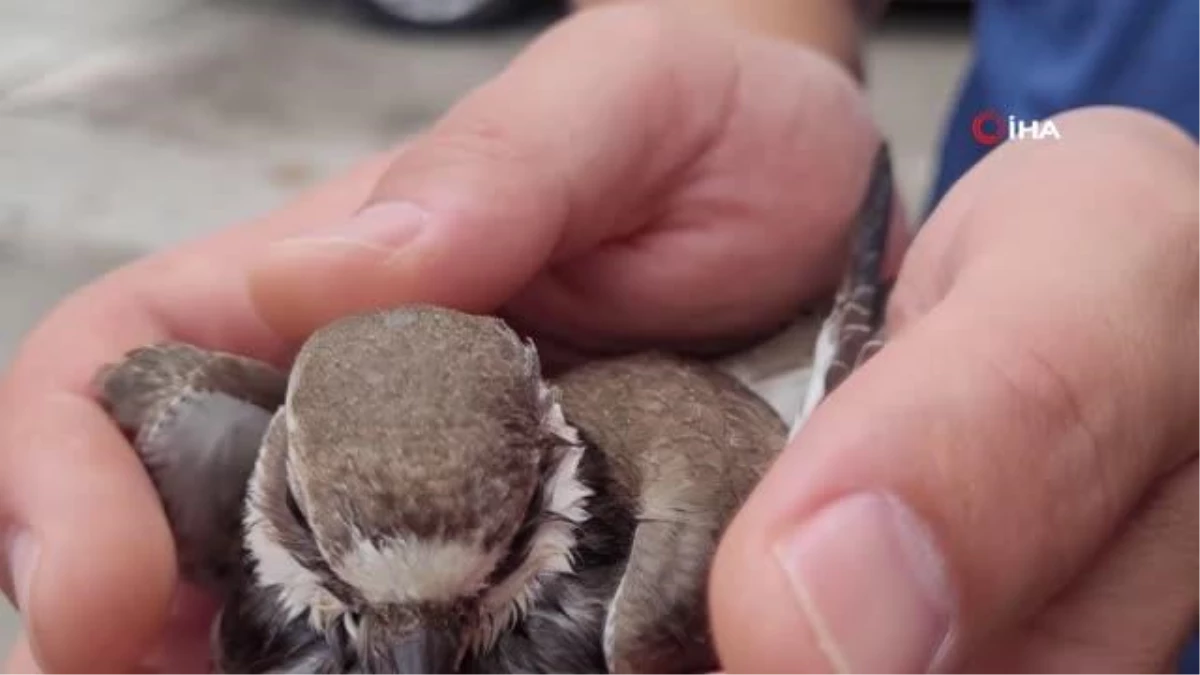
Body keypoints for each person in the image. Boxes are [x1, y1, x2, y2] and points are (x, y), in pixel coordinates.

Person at [2, 0, 1198, 672]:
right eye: (329, 551)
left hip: (1047, 213)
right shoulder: (223, 443)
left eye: (500, 541)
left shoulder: (659, 563)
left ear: (550, 465)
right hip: (1028, 144)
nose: (417, 655)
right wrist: (729, 50)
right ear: (279, 480)